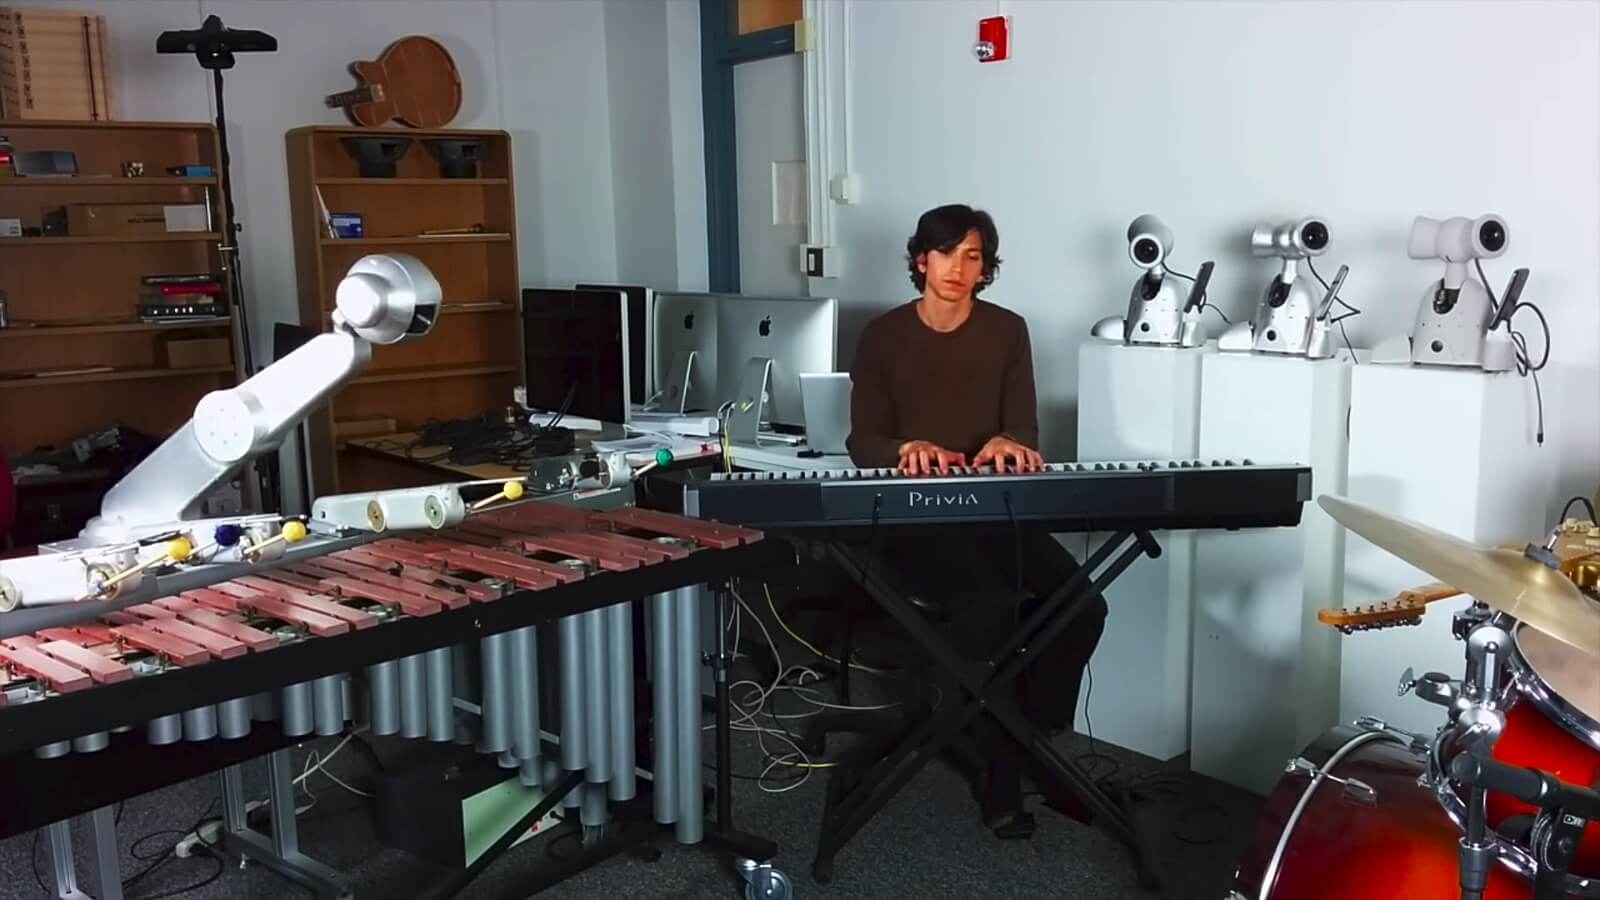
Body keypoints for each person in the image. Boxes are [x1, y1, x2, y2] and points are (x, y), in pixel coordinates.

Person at [845, 203, 1108, 837]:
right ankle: (1001, 775)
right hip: (917, 517)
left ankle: (1025, 739)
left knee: (1082, 606)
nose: (959, 268)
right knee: (988, 607)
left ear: (986, 268)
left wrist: (1009, 444)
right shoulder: (883, 335)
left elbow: (1025, 426)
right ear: (920, 259)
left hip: (997, 510)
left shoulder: (1007, 330)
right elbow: (863, 440)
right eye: (946, 253)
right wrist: (904, 450)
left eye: (973, 256)